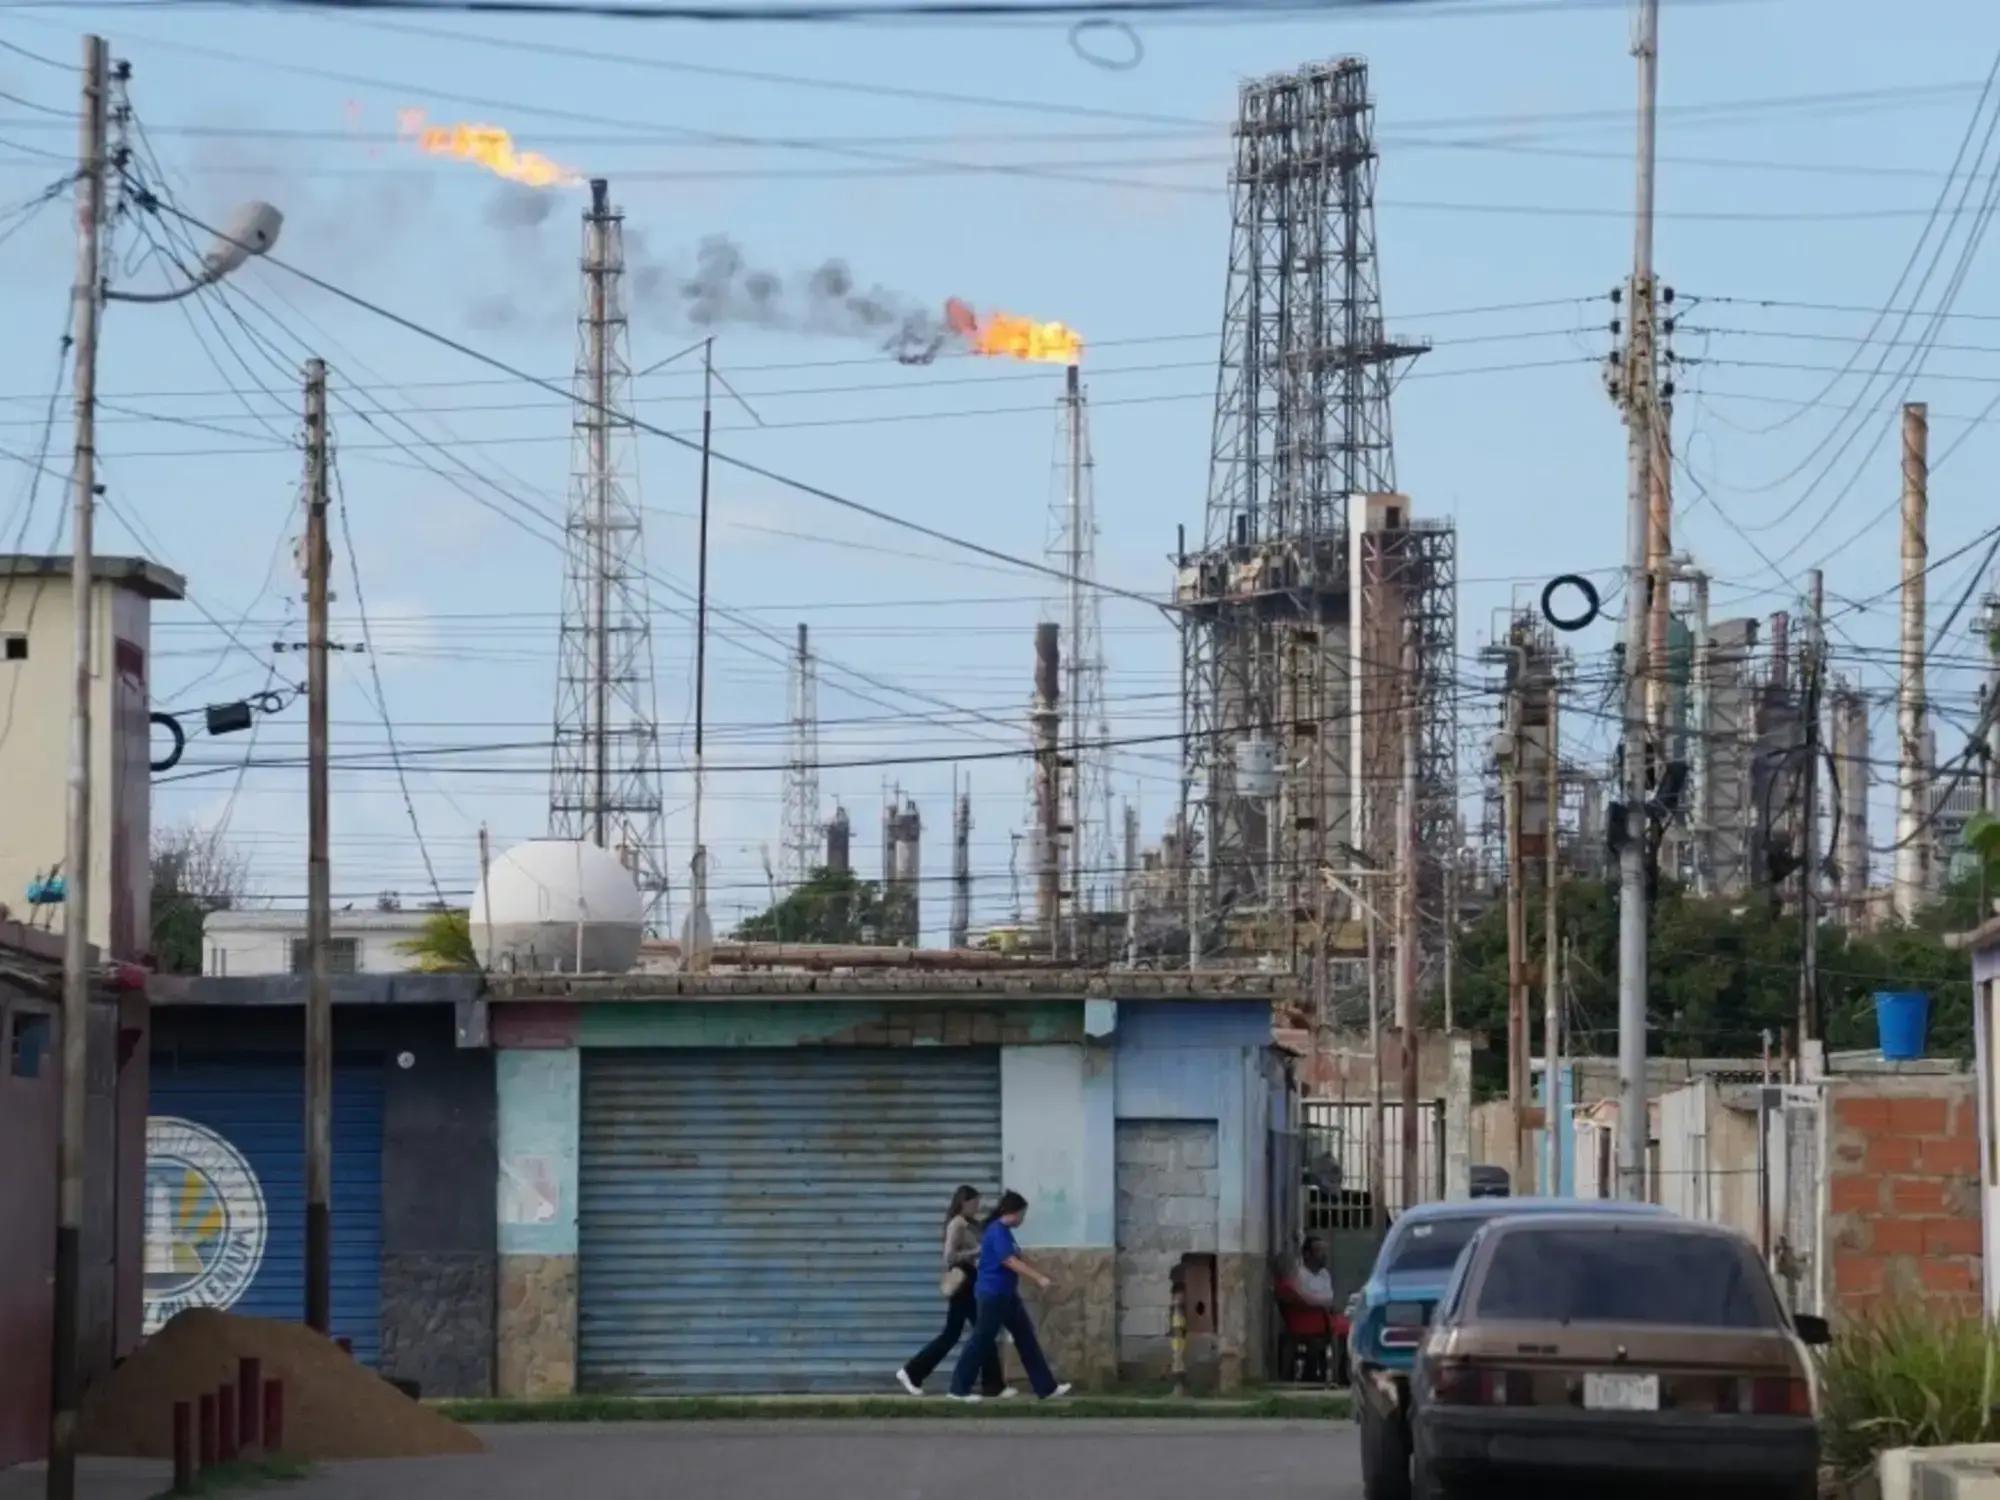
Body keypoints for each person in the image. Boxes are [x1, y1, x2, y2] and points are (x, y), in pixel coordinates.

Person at [948, 1190, 1072, 1403]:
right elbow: (1010, 1261)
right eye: (1022, 1214)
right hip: (993, 1295)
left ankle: (1046, 1388)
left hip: (1006, 1295)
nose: (1023, 1219)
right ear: (1012, 1213)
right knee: (981, 1340)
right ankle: (958, 1389)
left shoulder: (1004, 1232)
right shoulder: (996, 1231)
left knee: (1026, 1339)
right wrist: (1039, 1278)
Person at [896, 1186, 1011, 1398]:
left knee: (969, 1332)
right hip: (964, 1282)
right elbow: (948, 1257)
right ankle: (912, 1372)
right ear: (964, 1202)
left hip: (971, 1280)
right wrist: (976, 1252)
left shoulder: (969, 1223)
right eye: (975, 1203)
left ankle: (993, 1384)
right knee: (977, 1332)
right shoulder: (957, 1223)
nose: (977, 1207)